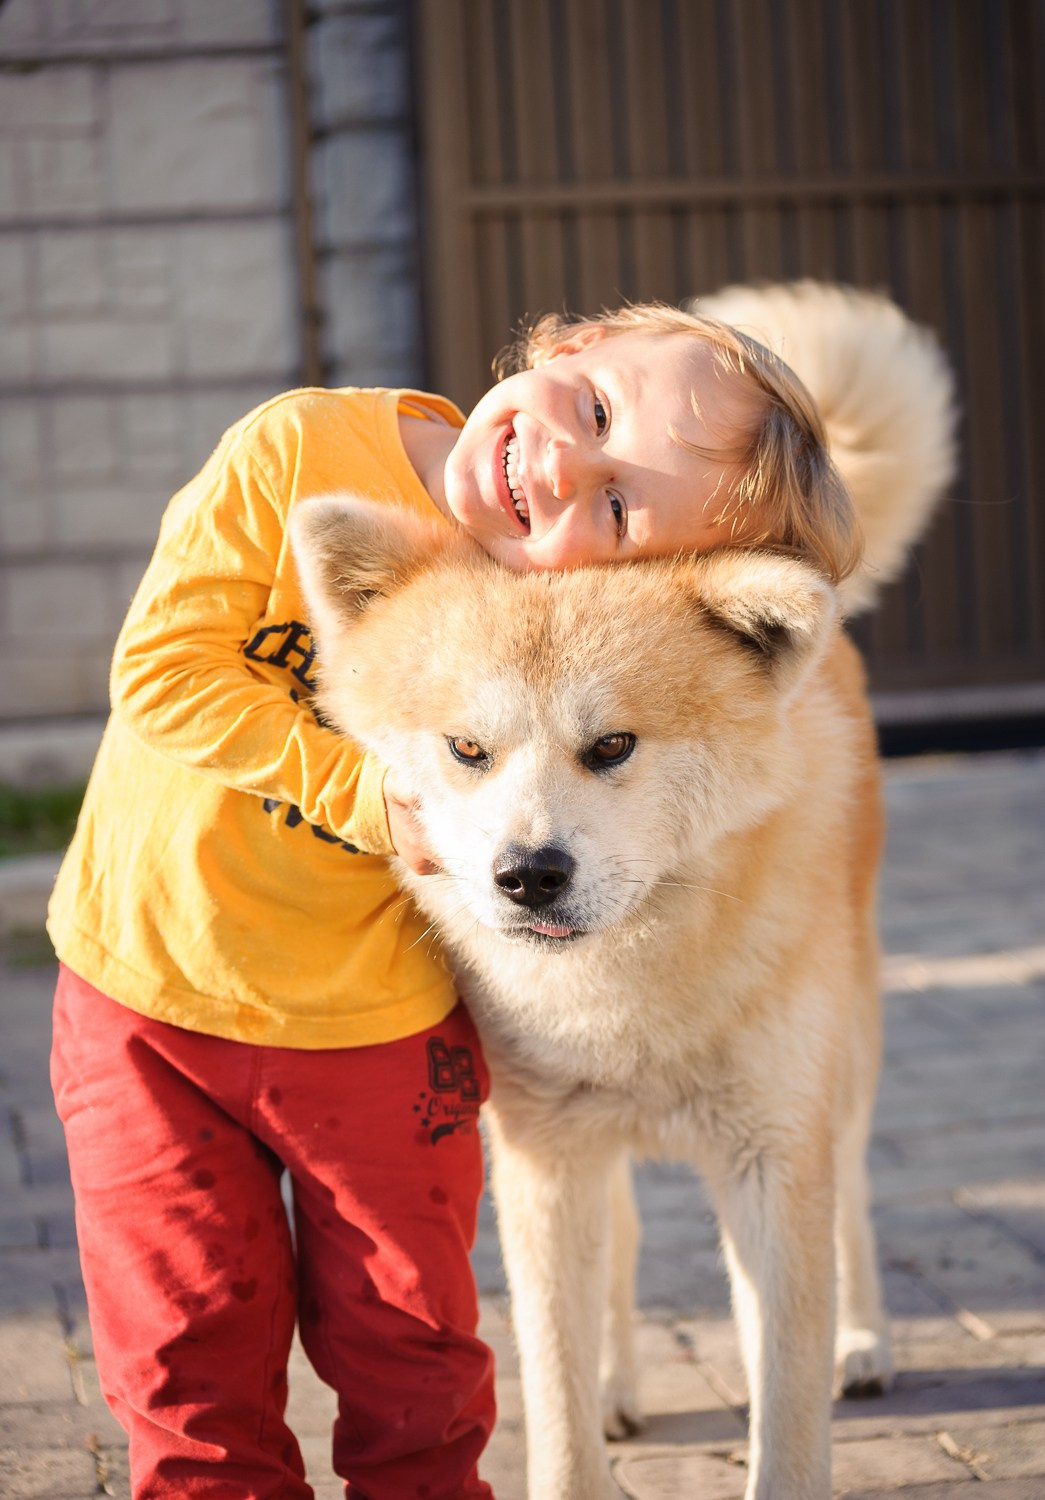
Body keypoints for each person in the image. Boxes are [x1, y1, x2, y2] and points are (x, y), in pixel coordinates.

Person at [47, 301, 860, 1500]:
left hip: (380, 1013)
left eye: (621, 509)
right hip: (149, 978)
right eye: (592, 410)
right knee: (183, 1360)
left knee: (416, 1364)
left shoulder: (571, 595)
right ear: (561, 346)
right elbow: (163, 668)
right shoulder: (306, 455)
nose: (568, 465)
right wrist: (382, 802)